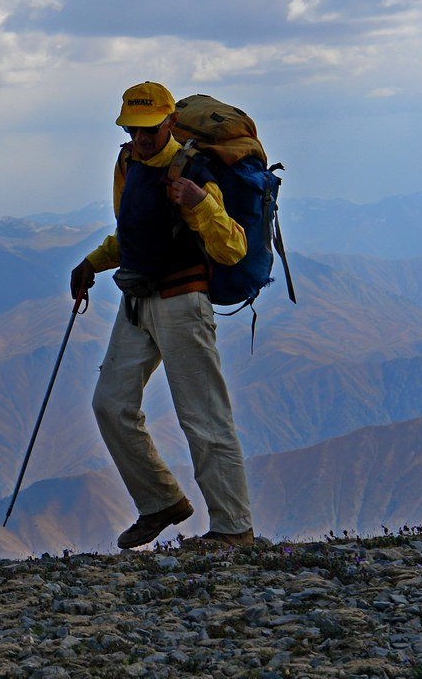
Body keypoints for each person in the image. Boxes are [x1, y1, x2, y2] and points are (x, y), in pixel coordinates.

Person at [70, 80, 255, 549]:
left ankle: (234, 528)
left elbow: (233, 248)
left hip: (182, 304)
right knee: (110, 404)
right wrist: (90, 264)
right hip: (137, 299)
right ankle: (160, 503)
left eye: (149, 129)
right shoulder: (128, 163)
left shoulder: (189, 171)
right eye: (133, 129)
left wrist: (202, 202)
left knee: (203, 417)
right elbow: (131, 233)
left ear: (170, 123)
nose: (141, 138)